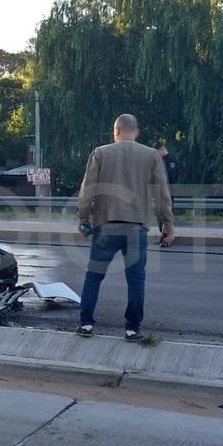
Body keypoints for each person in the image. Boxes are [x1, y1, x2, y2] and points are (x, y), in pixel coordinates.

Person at [75, 114, 175, 342]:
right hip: (136, 228)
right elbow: (162, 194)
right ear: (136, 132)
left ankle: (86, 325)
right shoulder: (151, 155)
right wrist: (167, 225)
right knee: (136, 280)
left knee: (94, 276)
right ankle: (132, 329)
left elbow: (87, 189)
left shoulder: (100, 153)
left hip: (105, 225)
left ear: (116, 130)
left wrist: (83, 218)